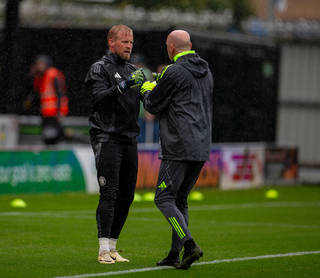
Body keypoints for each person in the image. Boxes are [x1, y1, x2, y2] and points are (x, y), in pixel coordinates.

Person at [139, 30, 214, 269]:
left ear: (171, 48)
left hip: (179, 145)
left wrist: (147, 88)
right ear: (190, 45)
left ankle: (189, 245)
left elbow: (152, 104)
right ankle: (174, 253)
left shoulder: (173, 71)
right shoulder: (206, 71)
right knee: (180, 199)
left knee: (163, 198)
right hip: (201, 144)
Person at [85, 24, 145, 264]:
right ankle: (102, 250)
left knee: (127, 195)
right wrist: (124, 85)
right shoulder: (99, 68)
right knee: (109, 193)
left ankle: (112, 247)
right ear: (111, 43)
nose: (129, 46)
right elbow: (97, 99)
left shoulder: (132, 70)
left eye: (131, 42)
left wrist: (152, 89)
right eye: (124, 42)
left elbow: (144, 101)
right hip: (107, 138)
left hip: (130, 139)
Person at [28, 55, 69, 144]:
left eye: (41, 63)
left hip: (54, 112)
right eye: (38, 63)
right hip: (46, 112)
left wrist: (59, 112)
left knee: (54, 136)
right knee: (48, 136)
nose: (39, 66)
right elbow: (35, 91)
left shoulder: (52, 74)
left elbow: (60, 93)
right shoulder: (41, 76)